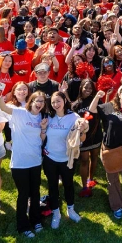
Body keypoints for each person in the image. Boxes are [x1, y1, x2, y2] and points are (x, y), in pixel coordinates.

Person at [0, 91, 48, 238]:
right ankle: (23, 226)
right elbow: (3, 108)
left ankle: (36, 221)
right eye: (37, 100)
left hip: (35, 161)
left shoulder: (42, 117)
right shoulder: (19, 113)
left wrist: (43, 128)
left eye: (42, 102)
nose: (39, 103)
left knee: (35, 193)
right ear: (30, 101)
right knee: (23, 194)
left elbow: (42, 138)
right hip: (19, 163)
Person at [90, 85, 122, 219]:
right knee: (113, 179)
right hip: (110, 149)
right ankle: (117, 205)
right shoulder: (108, 107)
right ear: (119, 94)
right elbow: (92, 109)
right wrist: (97, 96)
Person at [42, 91, 84, 229]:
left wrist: (82, 131)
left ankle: (70, 210)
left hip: (67, 159)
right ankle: (56, 213)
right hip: (50, 158)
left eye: (58, 101)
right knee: (52, 185)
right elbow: (42, 136)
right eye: (53, 102)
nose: (56, 104)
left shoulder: (74, 117)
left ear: (64, 100)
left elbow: (82, 138)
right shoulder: (49, 117)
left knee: (68, 184)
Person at [72, 79, 102, 196]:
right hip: (83, 137)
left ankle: (91, 179)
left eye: (90, 88)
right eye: (85, 87)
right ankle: (84, 186)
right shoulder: (76, 105)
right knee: (84, 160)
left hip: (96, 134)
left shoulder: (97, 101)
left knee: (94, 157)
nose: (88, 90)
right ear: (81, 88)